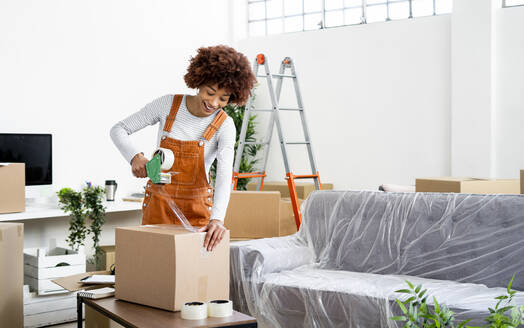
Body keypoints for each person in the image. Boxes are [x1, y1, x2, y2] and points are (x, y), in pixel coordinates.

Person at [110, 45, 256, 251]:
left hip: (197, 216)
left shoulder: (225, 125)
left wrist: (217, 219)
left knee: (192, 278)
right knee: (153, 266)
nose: (213, 103)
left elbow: (224, 174)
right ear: (199, 82)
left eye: (223, 99)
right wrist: (135, 157)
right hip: (158, 208)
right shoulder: (167, 105)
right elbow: (119, 129)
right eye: (210, 92)